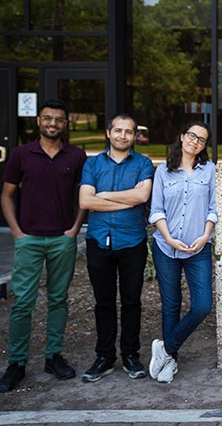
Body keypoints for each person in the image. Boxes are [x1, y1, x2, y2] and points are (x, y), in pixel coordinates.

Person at [0, 100, 86, 392]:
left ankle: (53, 356)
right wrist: (17, 232)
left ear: (65, 124)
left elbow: (83, 195)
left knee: (58, 299)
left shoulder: (76, 155)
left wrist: (74, 228)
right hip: (30, 240)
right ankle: (16, 363)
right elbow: (7, 195)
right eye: (47, 119)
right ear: (38, 121)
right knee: (23, 302)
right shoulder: (21, 154)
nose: (52, 124)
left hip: (62, 239)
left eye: (58, 120)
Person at [79, 114, 154, 382]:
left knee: (132, 302)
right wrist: (127, 200)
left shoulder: (144, 164)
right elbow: (86, 202)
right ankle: (105, 357)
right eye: (118, 131)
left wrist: (105, 195)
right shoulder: (92, 164)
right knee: (104, 302)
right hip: (99, 241)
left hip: (132, 241)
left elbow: (142, 196)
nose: (123, 136)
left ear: (135, 136)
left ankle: (131, 356)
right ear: (108, 133)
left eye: (129, 132)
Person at [148, 122, 218, 383]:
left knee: (202, 305)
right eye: (192, 135)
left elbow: (213, 208)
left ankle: (165, 349)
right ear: (182, 137)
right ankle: (170, 363)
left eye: (201, 139)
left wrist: (205, 235)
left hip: (198, 247)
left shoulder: (209, 171)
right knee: (171, 305)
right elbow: (157, 211)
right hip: (166, 247)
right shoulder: (163, 172)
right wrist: (169, 238)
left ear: (204, 146)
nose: (195, 141)